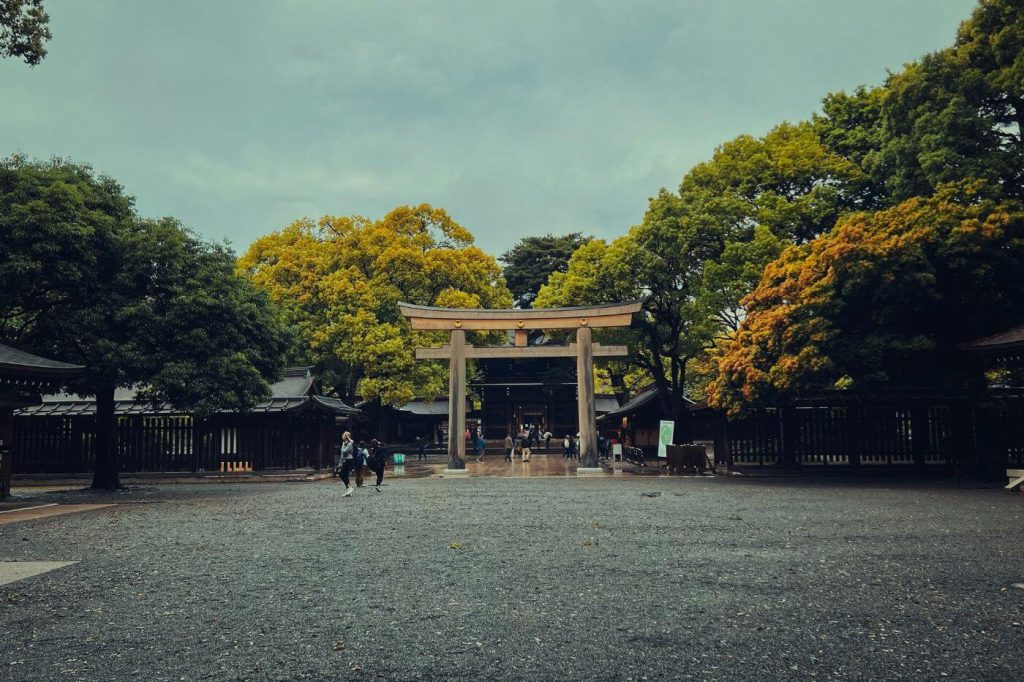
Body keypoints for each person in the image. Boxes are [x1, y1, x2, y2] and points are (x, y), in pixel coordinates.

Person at [339, 432, 356, 496]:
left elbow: (344, 451)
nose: (342, 436)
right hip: (344, 460)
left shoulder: (349, 444)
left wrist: (345, 445)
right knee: (345, 475)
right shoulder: (344, 443)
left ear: (346, 436)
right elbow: (342, 454)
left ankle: (349, 487)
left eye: (343, 435)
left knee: (341, 474)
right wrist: (340, 462)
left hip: (348, 460)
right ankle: (348, 490)